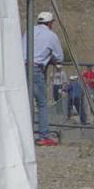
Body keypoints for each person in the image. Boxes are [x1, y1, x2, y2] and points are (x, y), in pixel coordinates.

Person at [24, 11, 63, 146]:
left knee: (25, 102)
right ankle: (44, 135)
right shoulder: (51, 36)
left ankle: (24, 134)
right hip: (36, 69)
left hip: (21, 68)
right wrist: (50, 59)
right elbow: (59, 57)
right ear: (50, 23)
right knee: (42, 104)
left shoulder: (29, 31)